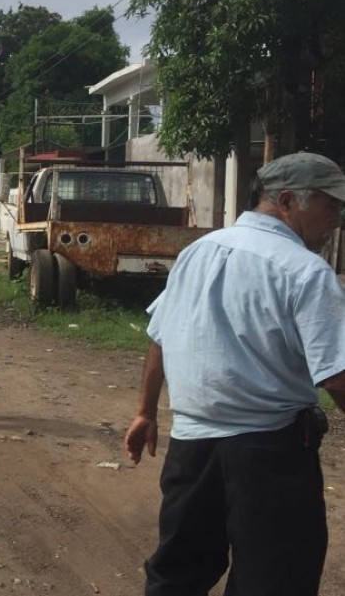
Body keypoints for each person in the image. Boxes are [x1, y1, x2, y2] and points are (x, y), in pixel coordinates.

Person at [124, 151, 345, 596]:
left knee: (177, 575)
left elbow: (159, 338)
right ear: (287, 201)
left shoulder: (196, 252)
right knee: (275, 578)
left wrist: (145, 412)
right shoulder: (304, 271)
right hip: (271, 454)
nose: (336, 221)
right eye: (330, 206)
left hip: (191, 451)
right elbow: (338, 378)